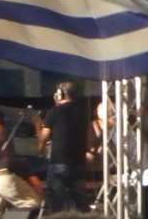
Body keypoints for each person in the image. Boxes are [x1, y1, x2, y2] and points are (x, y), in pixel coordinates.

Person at [38, 81, 92, 212]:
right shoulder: (84, 112)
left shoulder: (54, 111)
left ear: (60, 94)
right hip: (79, 162)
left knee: (58, 201)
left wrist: (36, 124)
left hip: (59, 162)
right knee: (80, 200)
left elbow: (44, 137)